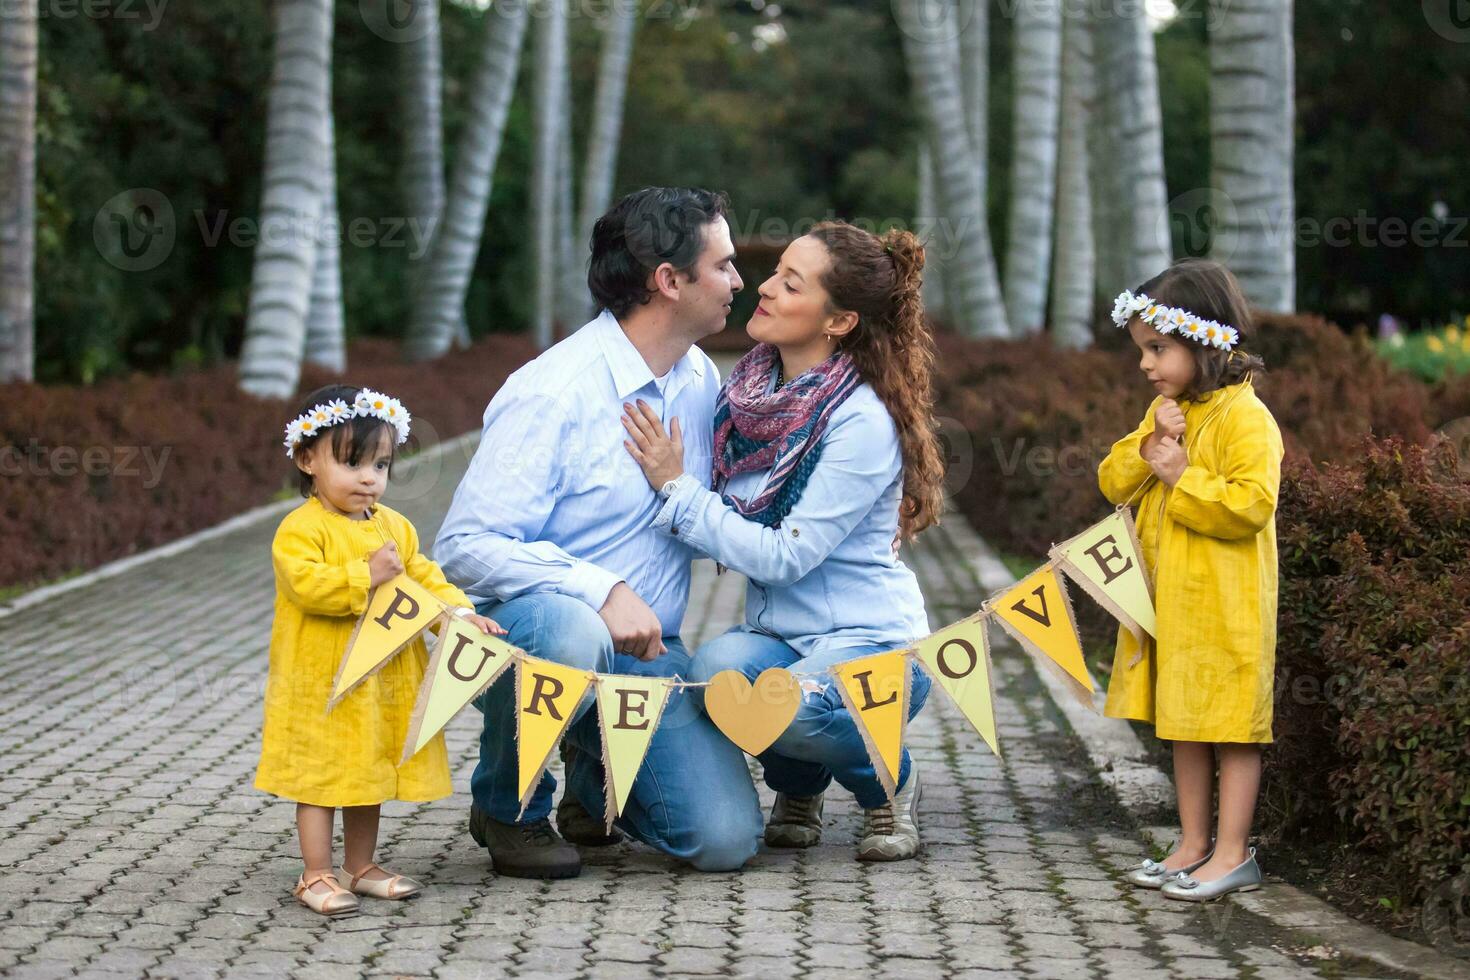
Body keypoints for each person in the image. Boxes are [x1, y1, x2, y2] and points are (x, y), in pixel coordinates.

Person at [434, 187, 764, 878]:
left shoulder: (702, 379)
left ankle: (597, 784)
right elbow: (465, 545)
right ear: (668, 281)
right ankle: (510, 807)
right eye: (724, 265)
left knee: (724, 840)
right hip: (550, 637)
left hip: (651, 657)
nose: (739, 281)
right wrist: (601, 587)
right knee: (569, 628)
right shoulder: (553, 392)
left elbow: (710, 509)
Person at [620, 221, 944, 861]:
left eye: (790, 284)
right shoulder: (748, 397)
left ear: (840, 321)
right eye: (775, 274)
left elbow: (784, 555)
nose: (762, 288)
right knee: (716, 676)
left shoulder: (859, 421)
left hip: (871, 644)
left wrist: (674, 486)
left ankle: (890, 783)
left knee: (789, 709)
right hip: (783, 635)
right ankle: (799, 786)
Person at [255, 384, 504, 916]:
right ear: (306, 459)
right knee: (321, 776)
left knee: (369, 771)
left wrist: (459, 615)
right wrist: (364, 576)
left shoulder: (395, 527)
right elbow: (305, 584)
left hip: (383, 678)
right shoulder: (299, 530)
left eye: (381, 465)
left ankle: (359, 866)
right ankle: (315, 873)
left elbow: (425, 578)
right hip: (322, 679)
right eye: (352, 463)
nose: (369, 478)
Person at [1097, 258, 1282, 902]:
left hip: (1226, 609)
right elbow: (1113, 481)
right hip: (1171, 605)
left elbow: (1252, 504)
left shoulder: (1245, 418)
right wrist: (1150, 442)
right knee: (1183, 723)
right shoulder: (1169, 409)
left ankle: (1232, 853)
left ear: (1206, 340)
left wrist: (1181, 476)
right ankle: (1189, 842)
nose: (1146, 364)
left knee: (1229, 728)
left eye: (1158, 349)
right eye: (1142, 351)